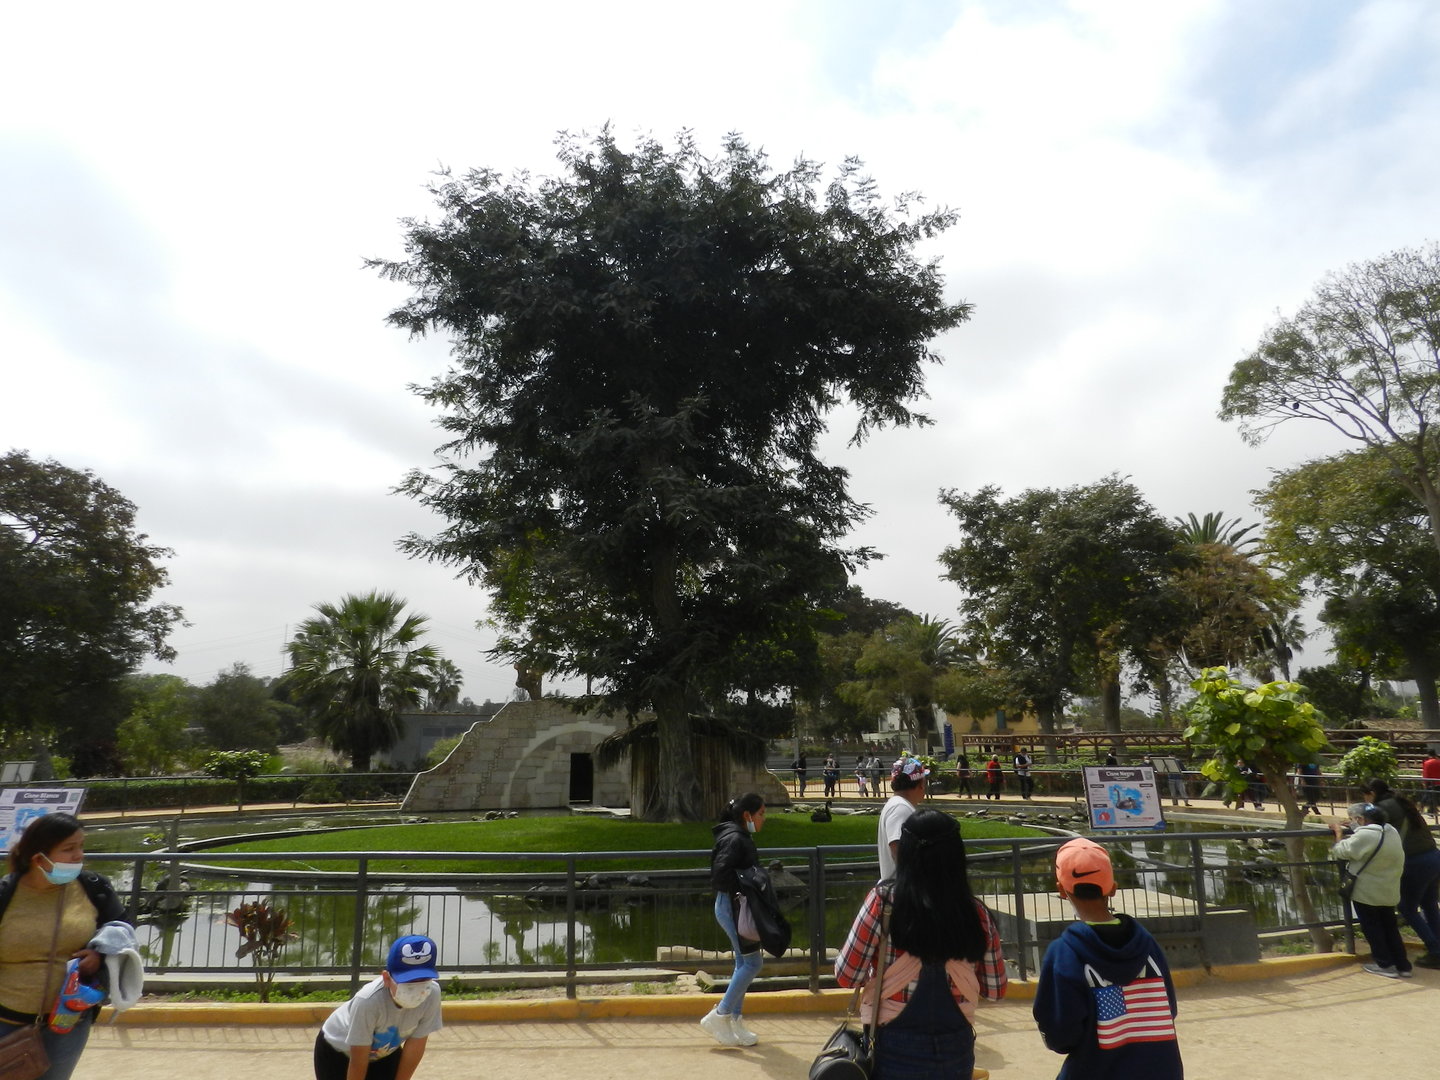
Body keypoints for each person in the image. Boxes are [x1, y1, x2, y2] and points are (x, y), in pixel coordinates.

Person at [836, 809, 1006, 1080]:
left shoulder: (883, 903)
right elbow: (996, 989)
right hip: (956, 1048)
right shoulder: (977, 913)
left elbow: (847, 975)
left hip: (892, 1044)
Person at [1033, 838, 1184, 1079]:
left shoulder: (1064, 952)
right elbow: (1169, 1009)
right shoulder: (1148, 945)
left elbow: (1061, 1034)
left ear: (1061, 890)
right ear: (1112, 888)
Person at [0, 813, 131, 1080]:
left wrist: (99, 952)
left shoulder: (95, 888)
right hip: (6, 1021)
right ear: (39, 858)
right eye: (69, 849)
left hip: (69, 1021)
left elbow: (122, 928)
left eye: (81, 846)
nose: (79, 855)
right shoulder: (5, 895)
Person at [315, 934, 442, 1080]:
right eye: (408, 981)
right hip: (339, 1051)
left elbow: (415, 1046)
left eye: (424, 980)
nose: (417, 988)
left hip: (384, 1051)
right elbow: (358, 1061)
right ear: (387, 979)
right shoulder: (368, 1001)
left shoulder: (432, 994)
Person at [702, 793, 767, 1047]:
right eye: (761, 814)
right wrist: (746, 887)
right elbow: (721, 874)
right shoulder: (736, 839)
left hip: (731, 906)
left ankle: (735, 1021)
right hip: (734, 907)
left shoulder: (736, 836)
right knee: (752, 963)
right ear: (747, 816)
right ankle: (720, 1015)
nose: (764, 819)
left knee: (744, 962)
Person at [1363, 778, 1440, 969]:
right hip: (1433, 856)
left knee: (1407, 908)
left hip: (1414, 862)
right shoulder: (1401, 801)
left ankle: (1435, 950)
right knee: (1430, 905)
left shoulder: (1381, 807)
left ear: (1371, 793)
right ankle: (1437, 947)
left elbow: (1372, 831)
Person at [1330, 802, 1409, 978]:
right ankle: (1403, 965)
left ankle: (1385, 965)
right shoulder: (1390, 831)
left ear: (1361, 819)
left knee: (1372, 927)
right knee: (1389, 927)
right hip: (1388, 888)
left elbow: (1341, 851)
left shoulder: (1365, 835)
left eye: (1354, 819)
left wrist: (1338, 833)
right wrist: (1353, 827)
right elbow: (1368, 838)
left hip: (1367, 890)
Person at [878, 756, 929, 881]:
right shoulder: (900, 808)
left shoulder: (898, 805)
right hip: (903, 892)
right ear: (921, 783)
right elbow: (897, 846)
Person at [1422, 749, 1440, 818]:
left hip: (1431, 783)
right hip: (1439, 782)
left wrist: (1425, 783)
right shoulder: (1439, 762)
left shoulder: (1427, 763)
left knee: (1430, 797)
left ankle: (1430, 811)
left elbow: (1426, 774)